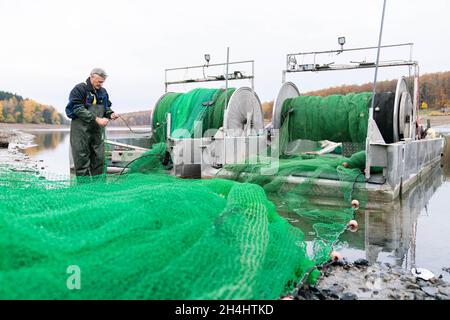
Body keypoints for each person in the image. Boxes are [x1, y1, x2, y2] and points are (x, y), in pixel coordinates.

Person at [67, 68, 119, 177]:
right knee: (81, 158)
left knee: (99, 158)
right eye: (99, 81)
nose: (101, 84)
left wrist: (111, 114)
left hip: (96, 132)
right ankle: (83, 189)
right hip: (80, 131)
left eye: (102, 82)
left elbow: (106, 108)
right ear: (91, 77)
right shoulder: (79, 89)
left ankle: (98, 187)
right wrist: (97, 119)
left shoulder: (103, 92)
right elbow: (77, 109)